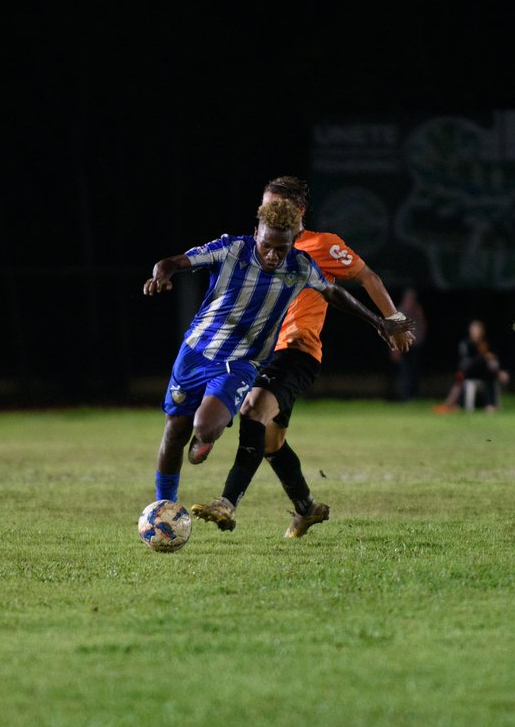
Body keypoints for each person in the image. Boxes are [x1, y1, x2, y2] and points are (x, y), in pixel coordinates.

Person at [143, 197, 413, 513]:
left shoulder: (299, 266)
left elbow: (334, 293)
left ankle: (207, 435)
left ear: (290, 243)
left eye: (281, 249)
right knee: (175, 431)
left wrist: (378, 321)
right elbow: (173, 261)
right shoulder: (231, 249)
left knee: (205, 427)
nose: (273, 255)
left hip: (241, 362)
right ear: (256, 231)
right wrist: (162, 274)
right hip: (195, 354)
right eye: (267, 246)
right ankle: (165, 507)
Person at [436, 319, 509, 413]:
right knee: (459, 377)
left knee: (491, 373)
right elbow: (466, 363)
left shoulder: (487, 343)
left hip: (485, 373)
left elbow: (494, 359)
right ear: (470, 331)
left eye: (479, 329)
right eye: (475, 329)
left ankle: (490, 404)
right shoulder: (465, 344)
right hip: (468, 372)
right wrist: (483, 357)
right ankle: (454, 403)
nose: (477, 332)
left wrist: (499, 370)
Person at [390, 287, 428, 401]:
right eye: (409, 299)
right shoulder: (398, 311)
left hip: (416, 347)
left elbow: (423, 327)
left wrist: (419, 314)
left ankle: (413, 395)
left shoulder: (417, 310)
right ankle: (405, 397)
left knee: (415, 372)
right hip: (403, 347)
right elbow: (393, 332)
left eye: (413, 299)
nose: (411, 301)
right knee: (405, 372)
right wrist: (394, 350)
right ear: (405, 299)